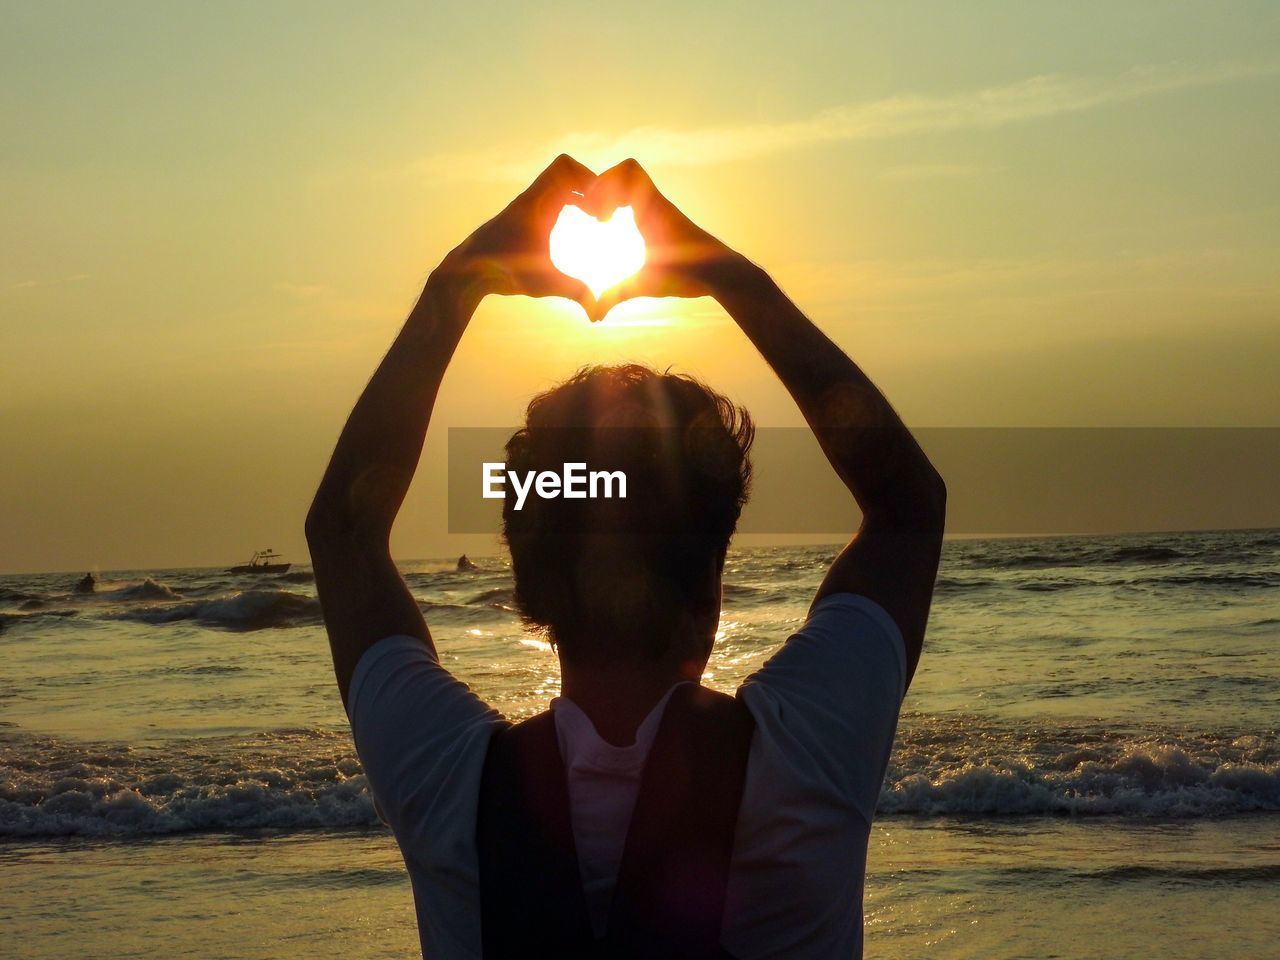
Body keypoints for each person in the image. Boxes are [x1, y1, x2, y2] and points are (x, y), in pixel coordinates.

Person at [307, 156, 946, 959]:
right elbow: (907, 506)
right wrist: (731, 278)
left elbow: (342, 530)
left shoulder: (450, 786)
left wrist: (456, 284)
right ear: (710, 591)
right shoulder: (807, 754)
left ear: (528, 586)